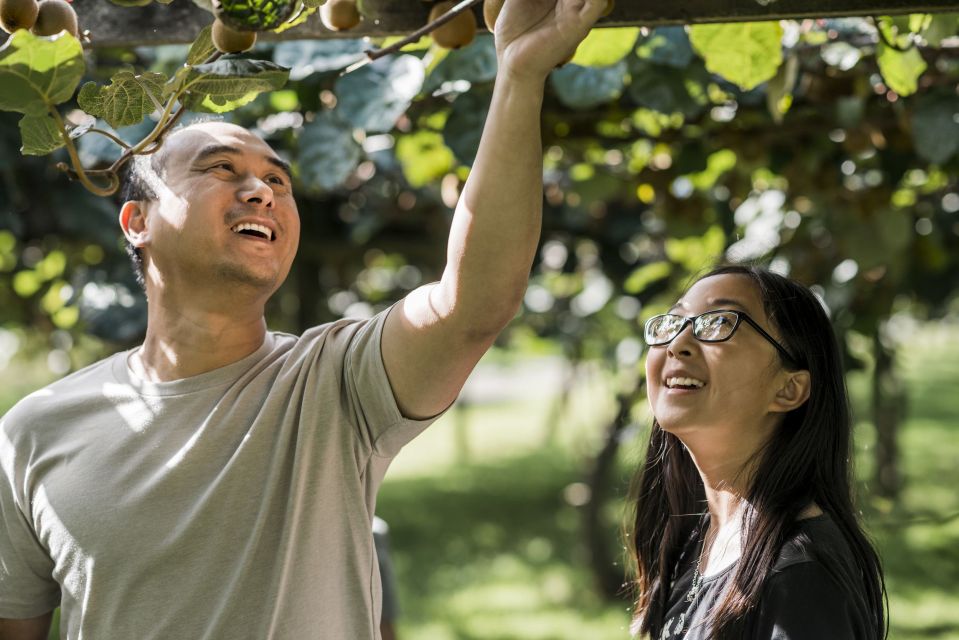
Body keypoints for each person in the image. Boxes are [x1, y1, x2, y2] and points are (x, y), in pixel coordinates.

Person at [0, 2, 608, 638]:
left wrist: (519, 75)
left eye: (277, 181)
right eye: (220, 170)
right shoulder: (35, 431)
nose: (262, 190)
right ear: (139, 221)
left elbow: (473, 302)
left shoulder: (334, 384)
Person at [628, 265, 887, 639]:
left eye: (719, 322)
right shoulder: (698, 541)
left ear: (788, 390)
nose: (677, 342)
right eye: (674, 321)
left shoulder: (800, 578)